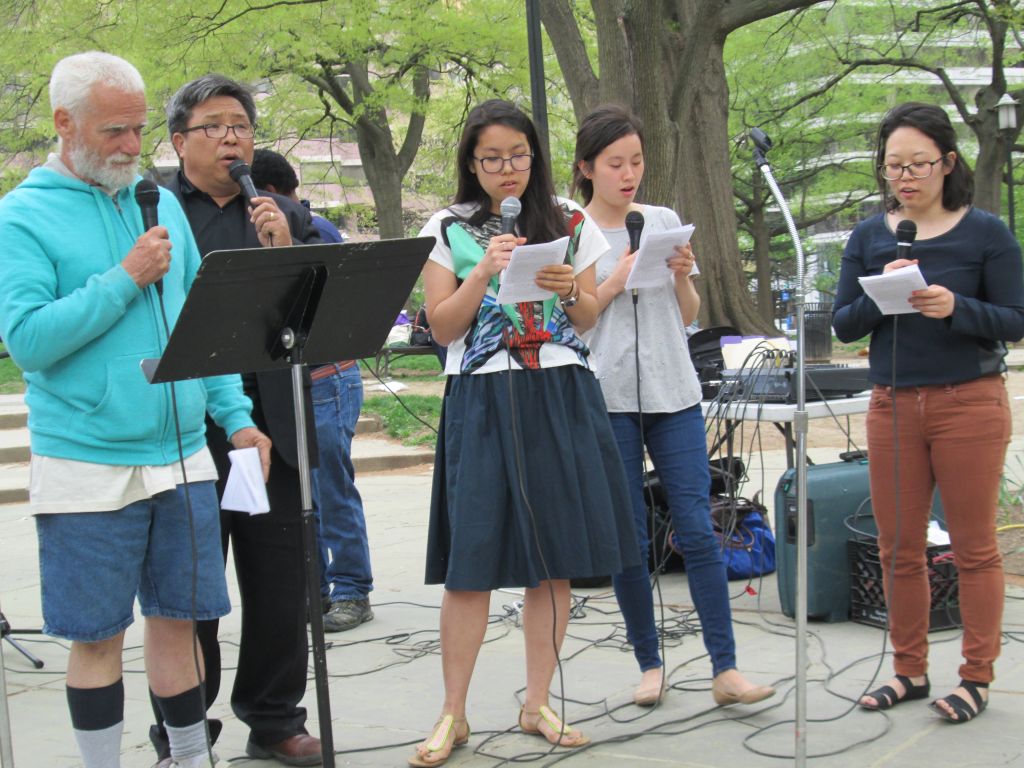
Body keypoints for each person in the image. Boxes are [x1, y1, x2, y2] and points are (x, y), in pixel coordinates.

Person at [0, 52, 270, 768]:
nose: (130, 147)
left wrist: (236, 416)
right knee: (96, 637)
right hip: (88, 461)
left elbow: (199, 327)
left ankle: (189, 758)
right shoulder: (21, 216)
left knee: (181, 623)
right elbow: (28, 341)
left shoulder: (161, 205)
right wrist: (122, 280)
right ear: (64, 123)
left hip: (181, 454)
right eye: (114, 131)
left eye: (139, 130)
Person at [410, 99, 639, 767]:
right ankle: (453, 711)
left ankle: (537, 699)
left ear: (534, 158)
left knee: (555, 555)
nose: (505, 170)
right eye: (490, 159)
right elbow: (443, 327)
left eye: (516, 156)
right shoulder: (446, 226)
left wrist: (570, 289)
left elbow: (590, 317)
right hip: (481, 395)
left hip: (560, 391)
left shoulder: (571, 221)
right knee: (472, 558)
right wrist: (482, 271)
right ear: (471, 165)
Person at [572, 104, 776, 709]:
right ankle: (648, 663)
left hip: (674, 391)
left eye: (636, 161)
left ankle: (725, 668)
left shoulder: (660, 219)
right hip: (608, 395)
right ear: (587, 167)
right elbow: (578, 320)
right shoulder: (571, 228)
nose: (628, 173)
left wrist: (684, 275)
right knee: (630, 536)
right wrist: (616, 279)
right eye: (615, 163)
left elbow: (686, 315)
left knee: (696, 525)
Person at [148, 75, 324, 766]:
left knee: (283, 579)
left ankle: (275, 717)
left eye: (241, 126)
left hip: (273, 419)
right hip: (190, 419)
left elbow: (310, 323)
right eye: (214, 125)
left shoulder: (280, 212)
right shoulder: (151, 209)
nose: (231, 137)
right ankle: (187, 733)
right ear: (179, 140)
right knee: (193, 588)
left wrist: (285, 249)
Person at [833, 102, 1024, 723]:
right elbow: (842, 323)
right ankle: (908, 670)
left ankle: (976, 677)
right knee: (897, 548)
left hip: (967, 401)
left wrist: (955, 307)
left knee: (972, 548)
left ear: (947, 162)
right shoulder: (868, 237)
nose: (906, 177)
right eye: (893, 167)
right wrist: (878, 296)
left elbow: (1016, 322)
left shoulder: (986, 233)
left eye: (918, 164)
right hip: (893, 403)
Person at [250, 147, 375, 632]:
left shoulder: (312, 229)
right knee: (303, 495)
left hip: (325, 378)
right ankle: (316, 590)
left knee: (330, 491)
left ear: (272, 194)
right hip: (294, 382)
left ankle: (351, 590)